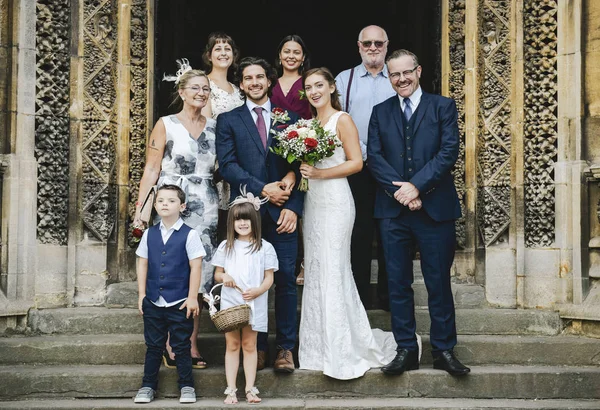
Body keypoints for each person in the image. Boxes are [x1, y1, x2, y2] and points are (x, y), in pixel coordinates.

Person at [297, 67, 414, 380]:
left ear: (332, 87)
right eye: (308, 87)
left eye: (319, 85)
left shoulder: (342, 119)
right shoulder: (307, 125)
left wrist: (320, 173)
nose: (314, 91)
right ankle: (318, 347)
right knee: (318, 268)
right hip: (314, 203)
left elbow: (356, 162)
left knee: (335, 268)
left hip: (336, 200)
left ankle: (343, 347)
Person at [367, 49, 470, 376]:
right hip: (393, 212)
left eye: (406, 72)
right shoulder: (380, 111)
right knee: (397, 284)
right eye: (394, 74)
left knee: (438, 282)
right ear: (389, 76)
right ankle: (406, 350)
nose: (401, 79)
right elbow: (375, 157)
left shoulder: (442, 107)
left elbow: (448, 151)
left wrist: (417, 187)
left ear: (419, 70)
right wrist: (401, 192)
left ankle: (444, 351)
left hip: (434, 210)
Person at [215, 56, 303, 373]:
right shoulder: (229, 121)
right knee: (252, 281)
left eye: (260, 77)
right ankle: (259, 346)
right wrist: (263, 188)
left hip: (284, 216)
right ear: (241, 84)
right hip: (247, 218)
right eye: (248, 78)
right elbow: (228, 166)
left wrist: (294, 208)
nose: (254, 82)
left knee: (285, 283)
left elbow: (301, 168)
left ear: (269, 81)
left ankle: (285, 350)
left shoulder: (290, 119)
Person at [133, 61, 217, 370]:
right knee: (171, 268)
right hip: (171, 203)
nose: (201, 93)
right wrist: (141, 209)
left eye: (205, 89)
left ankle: (191, 342)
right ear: (181, 92)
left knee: (200, 271)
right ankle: (169, 341)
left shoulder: (215, 126)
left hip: (205, 207)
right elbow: (152, 168)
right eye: (195, 87)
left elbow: (220, 169)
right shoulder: (166, 123)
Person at [335, 25, 397, 311]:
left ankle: (388, 296)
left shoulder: (398, 78)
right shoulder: (343, 80)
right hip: (357, 167)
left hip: (392, 169)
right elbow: (334, 121)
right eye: (367, 43)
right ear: (359, 46)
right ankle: (358, 296)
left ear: (386, 45)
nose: (373, 48)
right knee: (358, 232)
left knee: (390, 232)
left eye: (378, 43)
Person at [133, 184, 205, 404]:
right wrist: (142, 294)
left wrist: (192, 297)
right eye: (161, 200)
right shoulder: (149, 234)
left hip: (180, 301)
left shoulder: (190, 235)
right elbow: (143, 263)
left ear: (182, 206)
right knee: (154, 346)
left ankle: (186, 386)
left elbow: (196, 266)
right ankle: (147, 386)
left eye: (171, 200)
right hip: (154, 300)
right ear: (155, 205)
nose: (165, 204)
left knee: (182, 346)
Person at [212, 192, 278, 404]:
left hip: (254, 301)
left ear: (255, 220)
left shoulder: (264, 247)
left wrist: (259, 291)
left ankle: (250, 388)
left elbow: (269, 278)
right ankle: (231, 389)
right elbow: (217, 274)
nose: (242, 223)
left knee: (250, 345)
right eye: (238, 219)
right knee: (232, 344)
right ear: (232, 222)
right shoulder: (226, 246)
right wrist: (226, 276)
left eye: (246, 218)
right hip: (231, 301)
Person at [272, 34, 312, 285]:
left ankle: (306, 263)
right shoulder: (269, 83)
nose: (291, 56)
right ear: (279, 55)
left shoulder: (308, 83)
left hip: (305, 150)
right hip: (273, 154)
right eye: (286, 51)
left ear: (303, 57)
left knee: (305, 209)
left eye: (296, 52)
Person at [201, 31, 244, 242]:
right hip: (216, 161)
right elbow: (205, 129)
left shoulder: (238, 90)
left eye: (227, 48)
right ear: (209, 55)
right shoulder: (204, 86)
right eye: (218, 48)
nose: (223, 53)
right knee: (215, 221)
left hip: (239, 160)